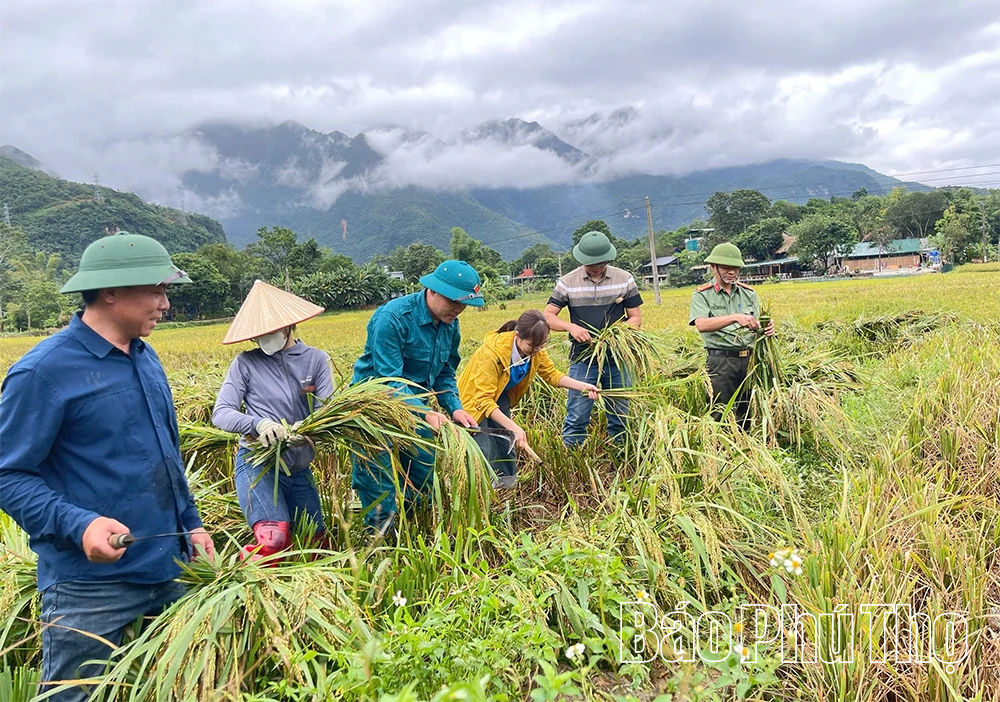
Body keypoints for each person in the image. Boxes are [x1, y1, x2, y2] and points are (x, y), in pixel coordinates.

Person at [0, 231, 214, 701]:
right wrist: (80, 526)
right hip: (91, 588)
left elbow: (165, 455)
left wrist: (191, 526)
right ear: (111, 291)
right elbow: (7, 474)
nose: (165, 304)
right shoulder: (42, 373)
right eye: (156, 290)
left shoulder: (144, 355)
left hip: (170, 566)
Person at [351, 260, 482, 537]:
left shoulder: (450, 325)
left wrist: (455, 409)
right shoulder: (393, 318)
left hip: (417, 409)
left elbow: (445, 372)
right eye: (453, 301)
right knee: (379, 483)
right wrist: (428, 414)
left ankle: (416, 540)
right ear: (432, 291)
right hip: (374, 410)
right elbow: (390, 382)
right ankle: (378, 545)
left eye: (464, 304)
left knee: (423, 478)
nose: (458, 309)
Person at [212, 280, 333, 560]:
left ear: (289, 325)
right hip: (258, 465)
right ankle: (244, 586)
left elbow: (328, 411)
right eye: (258, 333)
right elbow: (221, 412)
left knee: (314, 544)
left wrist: (309, 431)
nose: (264, 337)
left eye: (270, 330)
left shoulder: (316, 361)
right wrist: (258, 424)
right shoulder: (245, 363)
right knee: (273, 539)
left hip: (299, 468)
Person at [457, 310, 600, 487]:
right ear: (517, 336)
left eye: (541, 345)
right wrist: (515, 427)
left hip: (499, 394)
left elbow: (552, 375)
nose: (537, 351)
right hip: (474, 399)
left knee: (505, 441)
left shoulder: (536, 350)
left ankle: (506, 488)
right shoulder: (492, 354)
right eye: (532, 346)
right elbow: (483, 400)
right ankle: (481, 491)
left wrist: (583, 386)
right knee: (483, 447)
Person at [544, 231, 643, 448]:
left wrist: (618, 334)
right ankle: (573, 461)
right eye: (592, 264)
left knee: (621, 416)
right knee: (578, 414)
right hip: (583, 358)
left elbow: (635, 318)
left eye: (601, 263)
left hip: (618, 358)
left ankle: (622, 459)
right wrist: (571, 327)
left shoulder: (624, 279)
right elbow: (548, 316)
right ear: (582, 260)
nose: (597, 267)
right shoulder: (567, 283)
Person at [688, 242, 775, 426]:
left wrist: (767, 328)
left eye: (735, 268)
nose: (732, 273)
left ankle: (747, 446)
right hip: (721, 362)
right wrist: (735, 317)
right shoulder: (702, 295)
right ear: (713, 268)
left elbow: (757, 324)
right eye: (726, 268)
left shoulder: (749, 293)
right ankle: (718, 448)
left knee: (748, 412)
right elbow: (701, 324)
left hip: (750, 360)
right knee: (718, 412)